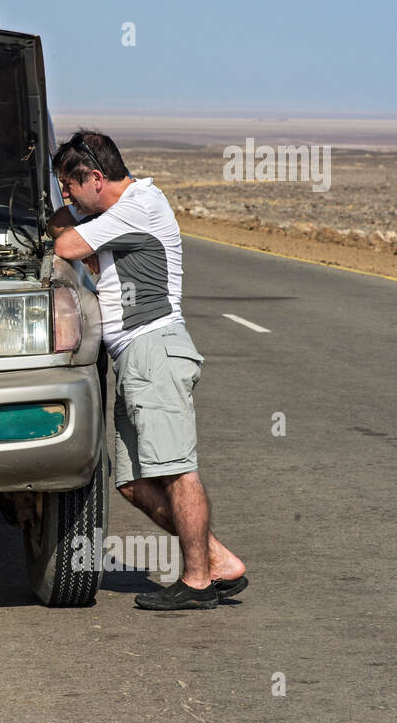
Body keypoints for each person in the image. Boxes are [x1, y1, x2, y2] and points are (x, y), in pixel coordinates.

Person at [47, 129, 247, 610]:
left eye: (70, 187)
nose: (66, 197)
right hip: (133, 358)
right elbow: (60, 223)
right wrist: (75, 218)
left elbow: (66, 244)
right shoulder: (113, 212)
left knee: (177, 470)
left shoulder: (140, 204)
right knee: (134, 482)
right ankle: (217, 560)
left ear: (96, 177)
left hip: (153, 349)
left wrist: (77, 232)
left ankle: (198, 582)